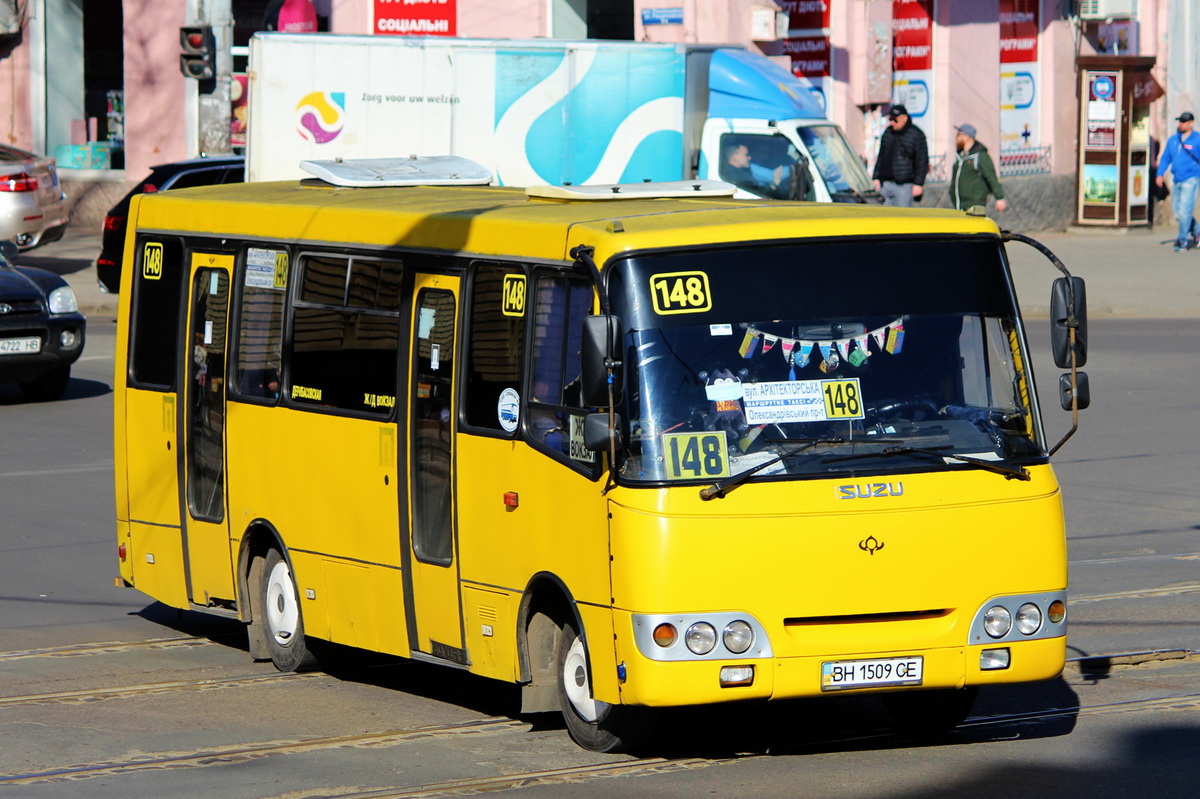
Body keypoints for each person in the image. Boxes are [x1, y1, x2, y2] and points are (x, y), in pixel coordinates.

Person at [1155, 111, 1200, 252]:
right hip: (1177, 179)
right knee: (1178, 211)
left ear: (1190, 123)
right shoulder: (1173, 140)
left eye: (1183, 122)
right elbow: (1165, 158)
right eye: (1179, 121)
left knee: (1185, 211)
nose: (1180, 124)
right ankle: (1197, 231)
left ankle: (1182, 240)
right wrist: (1160, 174)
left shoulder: (1197, 140)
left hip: (1191, 178)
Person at [872, 104, 928, 207]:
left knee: (900, 218)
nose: (892, 122)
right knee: (882, 217)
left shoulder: (916, 135)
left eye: (895, 120)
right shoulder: (888, 133)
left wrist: (918, 184)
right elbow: (881, 157)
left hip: (905, 185)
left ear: (904, 118)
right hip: (886, 184)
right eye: (890, 119)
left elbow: (922, 161)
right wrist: (876, 177)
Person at [949, 123, 1007, 214]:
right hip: (959, 203)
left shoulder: (980, 156)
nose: (956, 138)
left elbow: (991, 177)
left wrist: (999, 198)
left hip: (974, 204)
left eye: (959, 135)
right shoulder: (960, 156)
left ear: (967, 137)